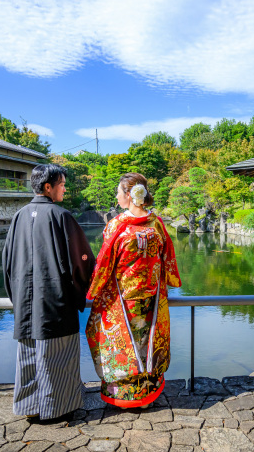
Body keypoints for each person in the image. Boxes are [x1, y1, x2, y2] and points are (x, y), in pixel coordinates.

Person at [2, 164, 95, 422]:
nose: (65, 188)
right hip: (55, 301)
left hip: (25, 302)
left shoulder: (19, 215)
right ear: (48, 187)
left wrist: (16, 296)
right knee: (58, 356)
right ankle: (57, 408)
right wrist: (79, 291)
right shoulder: (61, 216)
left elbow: (7, 261)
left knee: (29, 356)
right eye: (62, 184)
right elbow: (82, 261)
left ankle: (30, 407)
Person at [85, 173, 181, 408]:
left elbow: (104, 264)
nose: (117, 196)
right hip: (152, 298)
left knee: (122, 345)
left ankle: (125, 397)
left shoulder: (117, 226)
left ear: (129, 195)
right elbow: (168, 257)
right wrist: (168, 279)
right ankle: (147, 395)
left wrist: (94, 290)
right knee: (148, 343)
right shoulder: (157, 223)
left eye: (119, 192)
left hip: (124, 299)